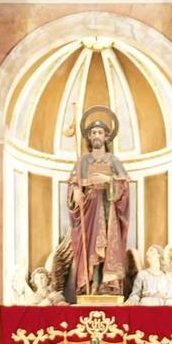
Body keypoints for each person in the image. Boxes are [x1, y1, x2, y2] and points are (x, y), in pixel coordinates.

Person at [67, 107, 132, 297]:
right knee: (90, 246)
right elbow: (73, 183)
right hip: (90, 208)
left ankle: (107, 285)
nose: (96, 135)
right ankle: (91, 283)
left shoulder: (113, 160)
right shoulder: (82, 161)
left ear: (106, 137)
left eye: (100, 132)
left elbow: (124, 184)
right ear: (89, 137)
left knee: (108, 245)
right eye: (93, 133)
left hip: (108, 206)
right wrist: (77, 190)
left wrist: (109, 180)